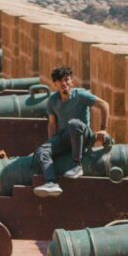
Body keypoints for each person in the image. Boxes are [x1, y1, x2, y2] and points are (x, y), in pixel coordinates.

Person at [34, 65, 112, 196]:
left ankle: (77, 165)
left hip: (82, 135)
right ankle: (51, 183)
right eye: (59, 81)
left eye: (66, 79)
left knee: (73, 124)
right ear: (55, 84)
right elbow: (52, 124)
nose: (63, 83)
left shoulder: (80, 95)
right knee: (42, 150)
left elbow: (104, 105)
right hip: (65, 137)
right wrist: (53, 145)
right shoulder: (52, 101)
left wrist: (103, 129)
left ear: (72, 82)